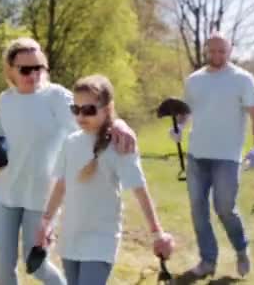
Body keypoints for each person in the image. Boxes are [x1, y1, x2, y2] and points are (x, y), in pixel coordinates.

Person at [0, 38, 137, 285]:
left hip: (41, 199)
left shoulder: (58, 97)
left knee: (36, 265)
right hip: (6, 195)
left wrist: (121, 125)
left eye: (38, 67)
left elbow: (97, 115)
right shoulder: (5, 100)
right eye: (25, 69)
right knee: (3, 270)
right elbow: (0, 138)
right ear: (11, 70)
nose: (33, 74)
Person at [35, 74, 175, 285]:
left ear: (107, 108)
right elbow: (61, 186)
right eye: (76, 109)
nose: (81, 115)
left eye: (89, 110)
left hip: (101, 239)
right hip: (71, 236)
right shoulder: (70, 143)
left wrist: (157, 233)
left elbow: (139, 188)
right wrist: (45, 222)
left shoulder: (121, 145)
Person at [171, 31, 254, 278]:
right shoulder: (194, 80)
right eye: (213, 50)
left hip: (227, 157)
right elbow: (185, 111)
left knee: (225, 207)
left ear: (229, 51)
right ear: (206, 51)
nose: (217, 55)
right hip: (197, 156)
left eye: (222, 51)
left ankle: (241, 249)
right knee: (198, 211)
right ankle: (207, 261)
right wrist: (177, 127)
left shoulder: (243, 79)